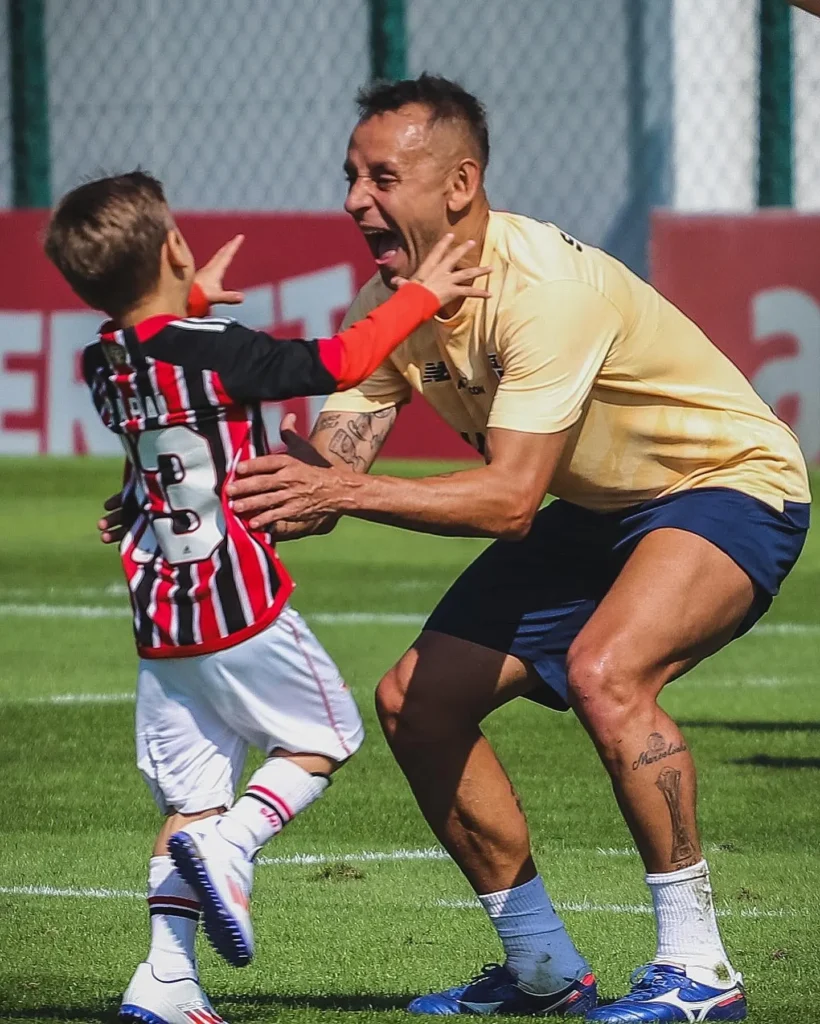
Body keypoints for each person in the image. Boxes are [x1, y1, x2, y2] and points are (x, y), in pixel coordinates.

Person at [218, 76, 810, 1022]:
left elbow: (505, 500)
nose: (353, 200)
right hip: (591, 510)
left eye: (381, 177)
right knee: (416, 703)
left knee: (606, 673)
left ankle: (701, 975)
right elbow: (330, 471)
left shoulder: (544, 291)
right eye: (349, 177)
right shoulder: (392, 300)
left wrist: (339, 488)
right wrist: (227, 484)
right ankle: (540, 966)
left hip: (728, 484)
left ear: (459, 184)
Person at [46, 169, 489, 1024]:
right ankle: (235, 847)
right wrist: (423, 295)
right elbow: (346, 360)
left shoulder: (100, 363)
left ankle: (167, 978)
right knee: (329, 737)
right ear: (175, 248)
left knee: (191, 797)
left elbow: (155, 406)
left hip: (162, 625)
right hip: (240, 605)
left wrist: (189, 298)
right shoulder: (219, 349)